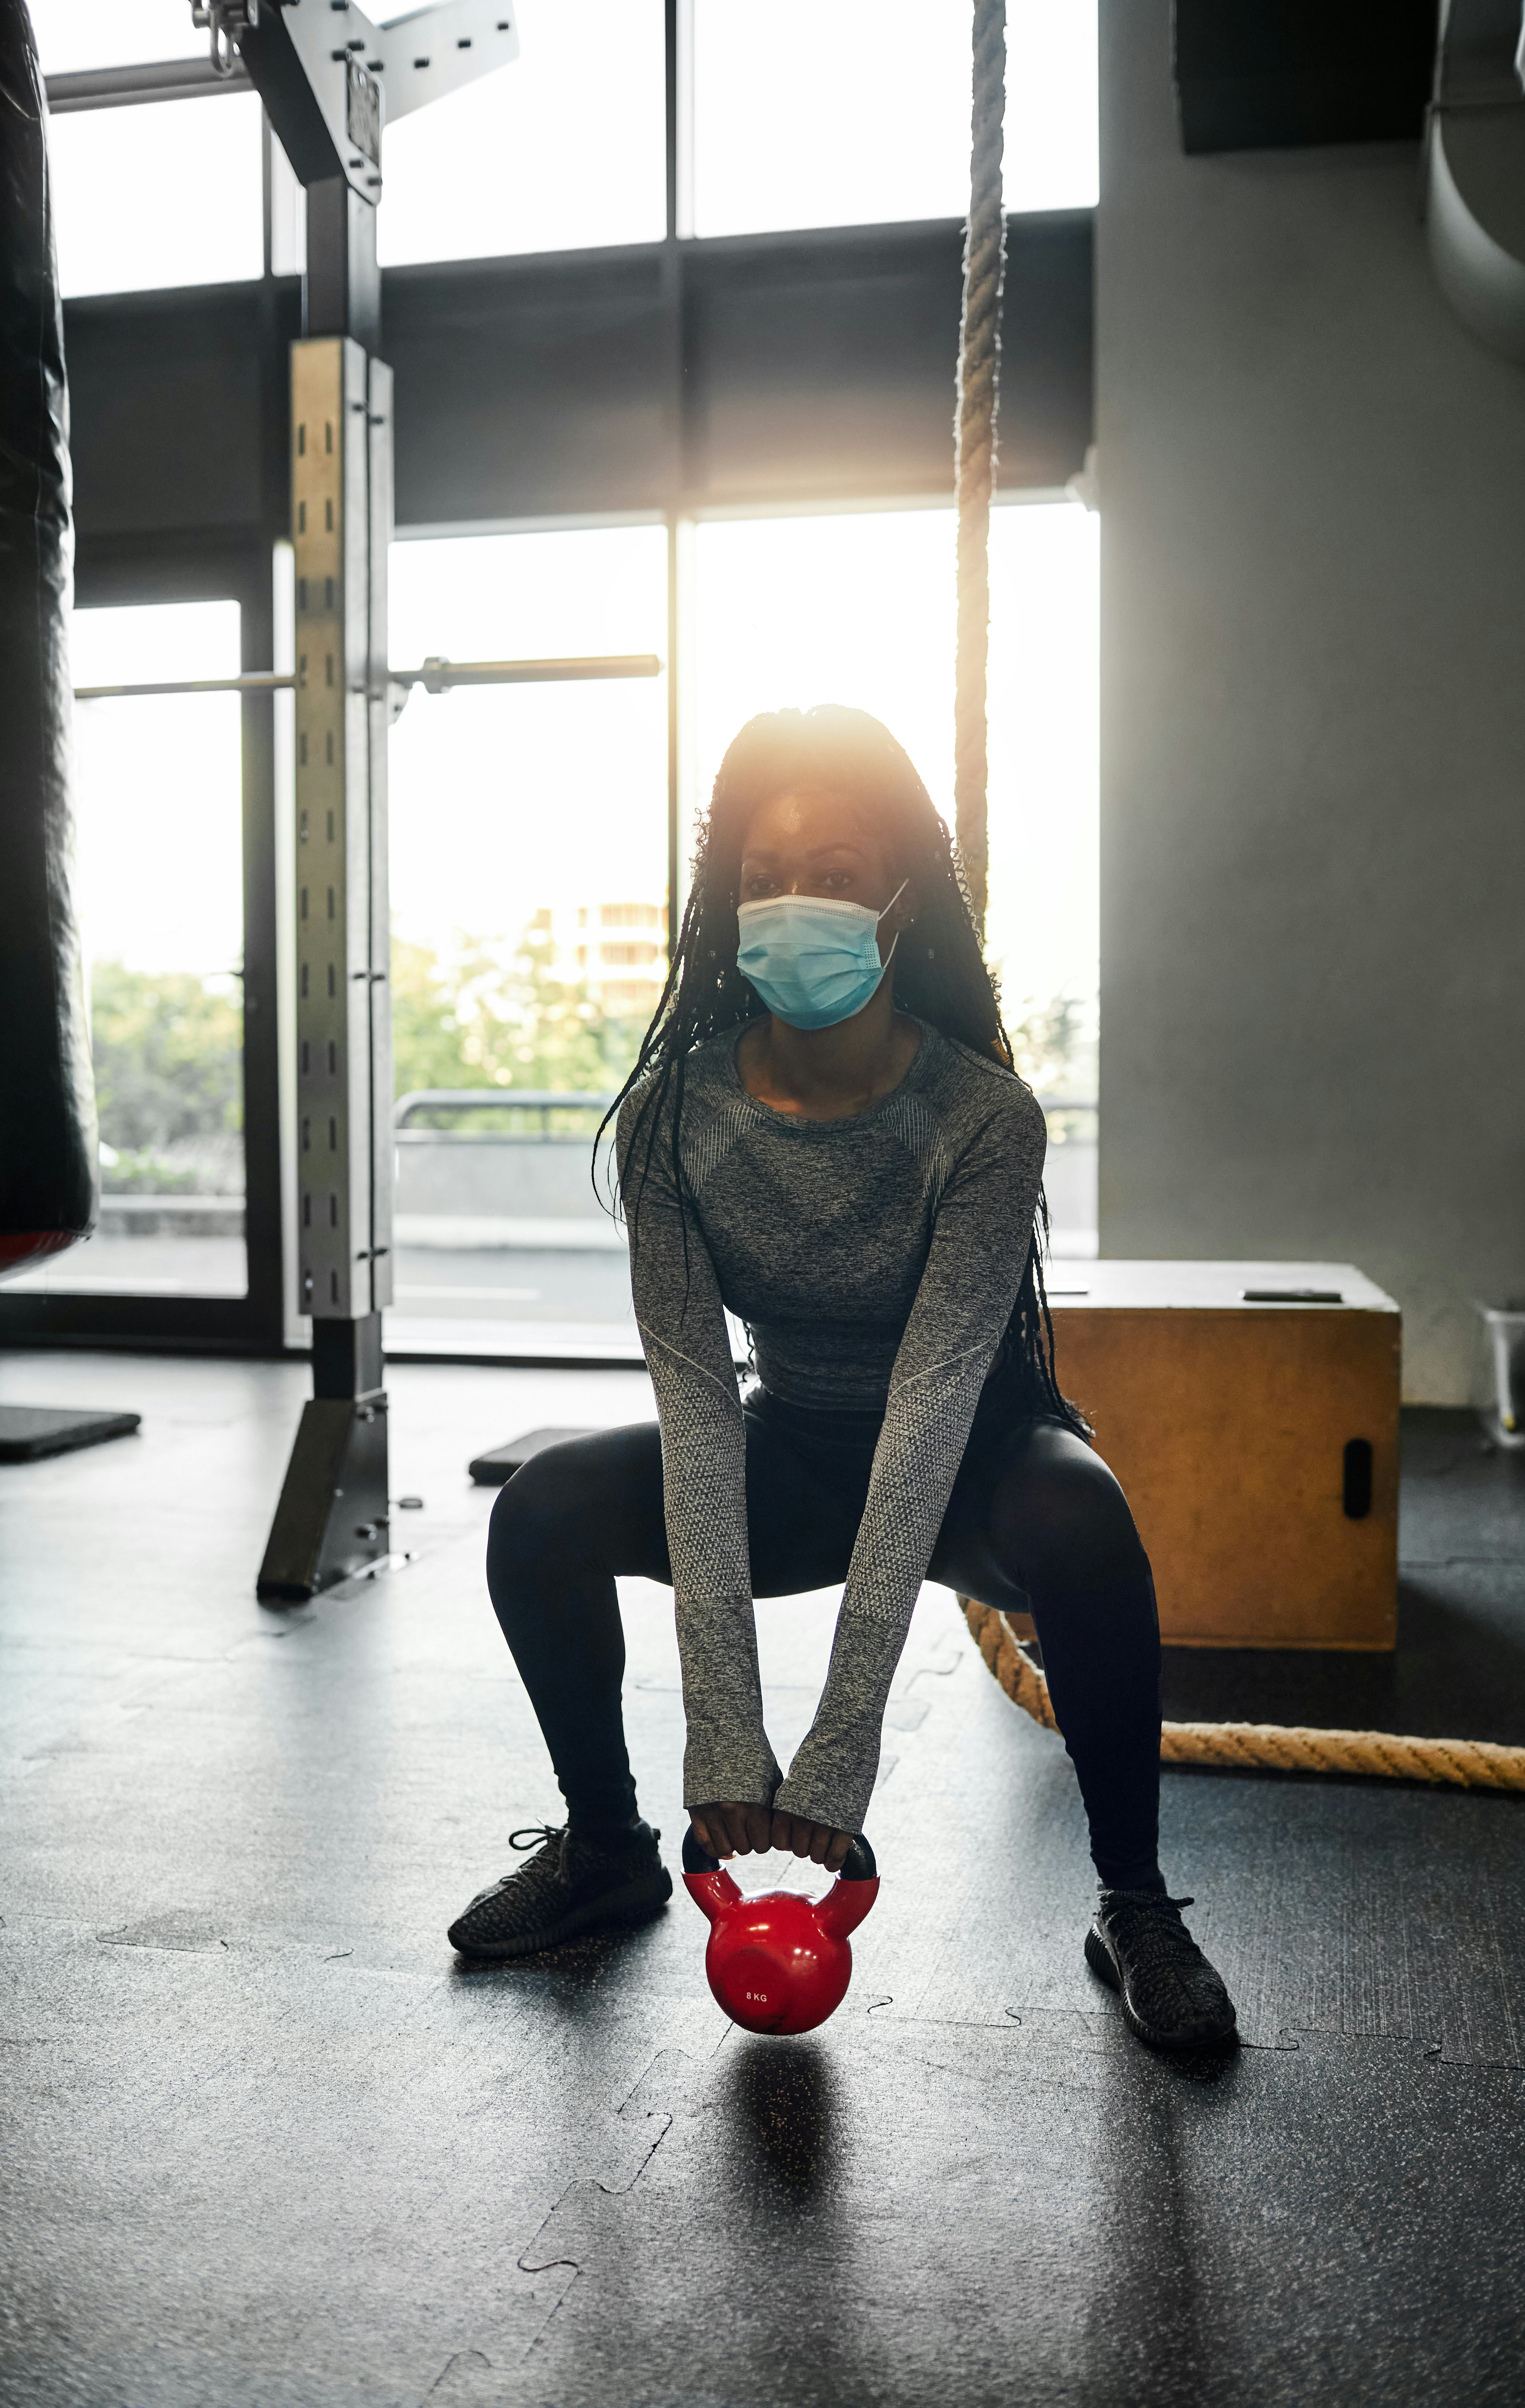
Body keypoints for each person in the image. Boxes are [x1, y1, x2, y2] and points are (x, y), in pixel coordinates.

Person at [448, 705, 1236, 2052]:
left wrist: (839, 1746)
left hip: (977, 1453)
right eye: (765, 876)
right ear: (727, 900)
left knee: (1085, 1521)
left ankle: (1137, 1903)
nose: (792, 901)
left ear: (896, 897)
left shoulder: (985, 1118)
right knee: (542, 1511)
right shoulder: (677, 1118)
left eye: (831, 869)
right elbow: (698, 1404)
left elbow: (935, 1400)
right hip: (794, 1442)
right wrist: (727, 1736)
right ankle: (607, 1847)